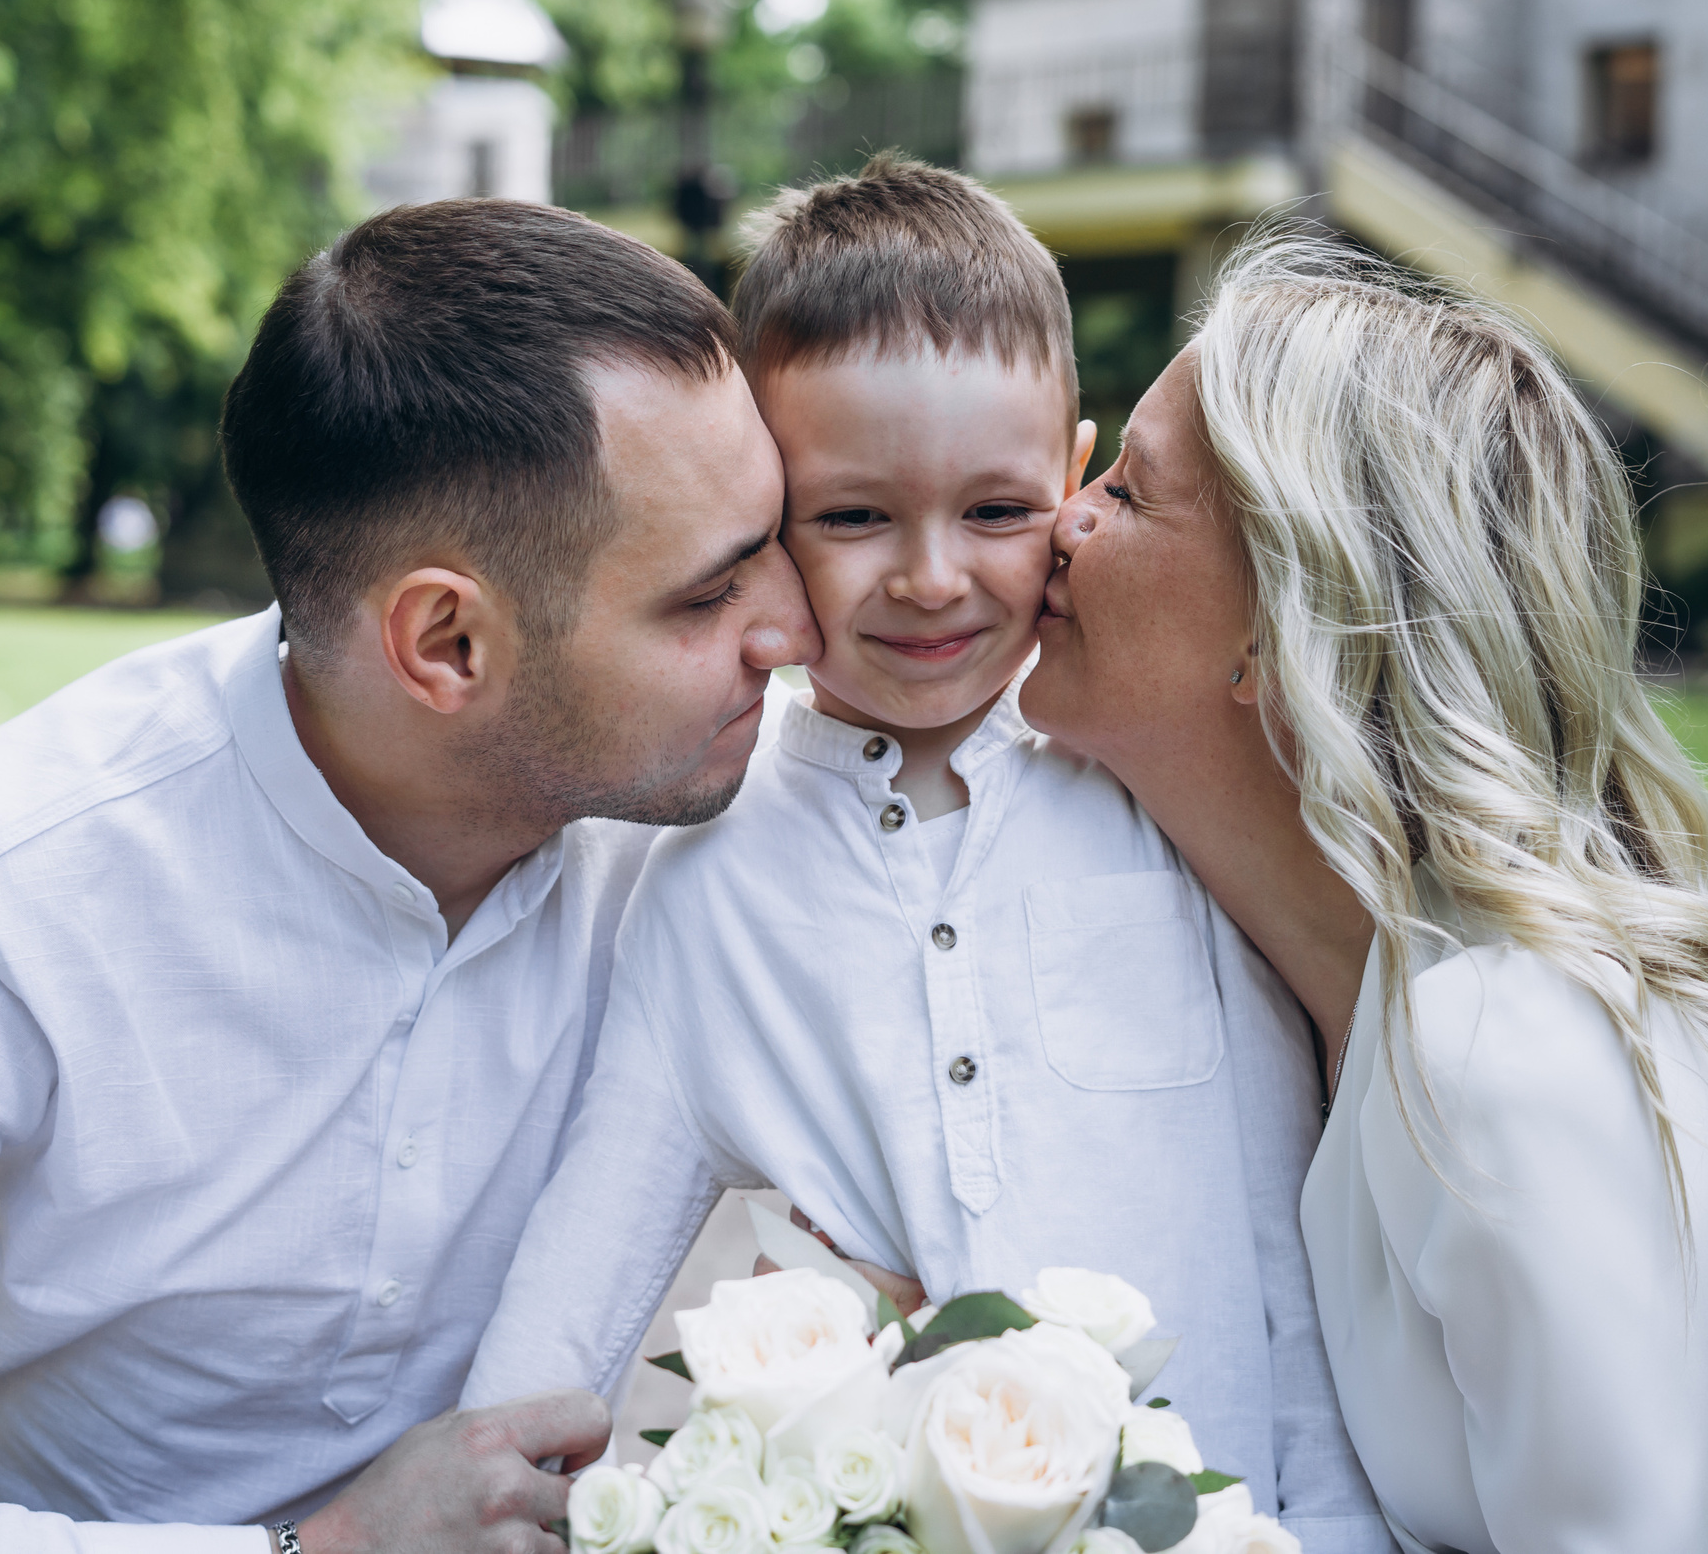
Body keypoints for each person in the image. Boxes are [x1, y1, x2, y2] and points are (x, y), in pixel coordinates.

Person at [0, 201, 822, 1554]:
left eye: (782, 541)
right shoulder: (2, 897)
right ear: (446, 644)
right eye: (706, 597)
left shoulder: (742, 791)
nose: (795, 630)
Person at [458, 159, 1391, 1553]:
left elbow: (1290, 1255)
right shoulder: (709, 875)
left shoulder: (1154, 795)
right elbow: (574, 1297)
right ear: (762, 505)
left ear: (1073, 483)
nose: (933, 578)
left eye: (999, 513)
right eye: (851, 518)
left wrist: (1332, 1530)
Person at [1022, 236, 1708, 1553]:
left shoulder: (1511, 1046)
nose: (1055, 516)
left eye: (1128, 493)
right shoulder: (1324, 982)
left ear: (1288, 621)